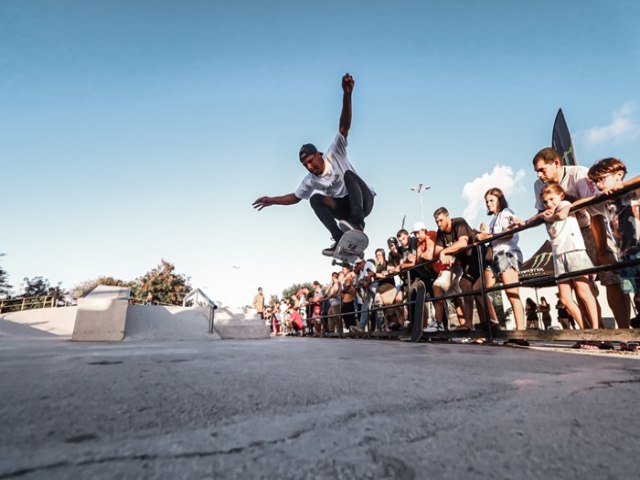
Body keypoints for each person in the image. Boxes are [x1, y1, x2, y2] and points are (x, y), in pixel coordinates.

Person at [252, 73, 376, 256]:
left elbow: (344, 126)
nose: (309, 167)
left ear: (319, 155)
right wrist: (272, 200)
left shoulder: (335, 151)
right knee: (315, 199)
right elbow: (294, 198)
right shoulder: (310, 180)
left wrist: (347, 95)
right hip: (344, 211)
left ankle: (358, 224)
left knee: (349, 175)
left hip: (363, 201)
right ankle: (339, 238)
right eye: (305, 165)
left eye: (310, 161)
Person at [528, 147, 629, 328]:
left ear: (556, 163)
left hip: (590, 228)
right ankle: (595, 333)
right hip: (564, 238)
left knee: (610, 278)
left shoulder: (578, 174)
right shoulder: (539, 186)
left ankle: (624, 331)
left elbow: (596, 211)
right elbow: (542, 214)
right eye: (536, 171)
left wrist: (601, 249)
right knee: (582, 288)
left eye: (542, 169)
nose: (539, 175)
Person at [526, 183, 599, 329]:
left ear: (560, 196)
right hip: (558, 255)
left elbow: (562, 215)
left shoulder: (564, 204)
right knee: (565, 298)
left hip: (573, 250)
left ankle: (597, 329)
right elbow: (530, 221)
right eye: (545, 202)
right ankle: (586, 329)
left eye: (552, 199)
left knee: (583, 291)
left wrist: (547, 218)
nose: (549, 204)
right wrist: (537, 216)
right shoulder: (546, 213)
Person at [587, 157, 640, 324]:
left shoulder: (632, 192)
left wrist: (623, 185)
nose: (599, 185)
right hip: (624, 254)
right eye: (596, 182)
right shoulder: (605, 202)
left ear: (618, 174)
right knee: (635, 295)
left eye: (602, 179)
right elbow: (586, 204)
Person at [476, 188, 525, 330]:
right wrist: (485, 234)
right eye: (486, 201)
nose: (488, 204)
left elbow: (509, 234)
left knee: (512, 293)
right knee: (479, 289)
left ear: (500, 200)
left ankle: (521, 332)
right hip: (494, 257)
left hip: (507, 254)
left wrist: (487, 236)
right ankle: (492, 322)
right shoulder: (493, 219)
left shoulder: (506, 213)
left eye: (491, 200)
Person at [433, 207, 485, 331]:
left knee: (478, 291)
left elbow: (462, 243)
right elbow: (436, 252)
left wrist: (445, 252)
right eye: (436, 222)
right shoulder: (440, 232)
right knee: (465, 286)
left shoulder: (458, 222)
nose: (439, 224)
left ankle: (490, 322)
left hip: (476, 257)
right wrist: (445, 253)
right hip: (464, 263)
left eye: (440, 220)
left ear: (448, 217)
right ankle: (468, 324)